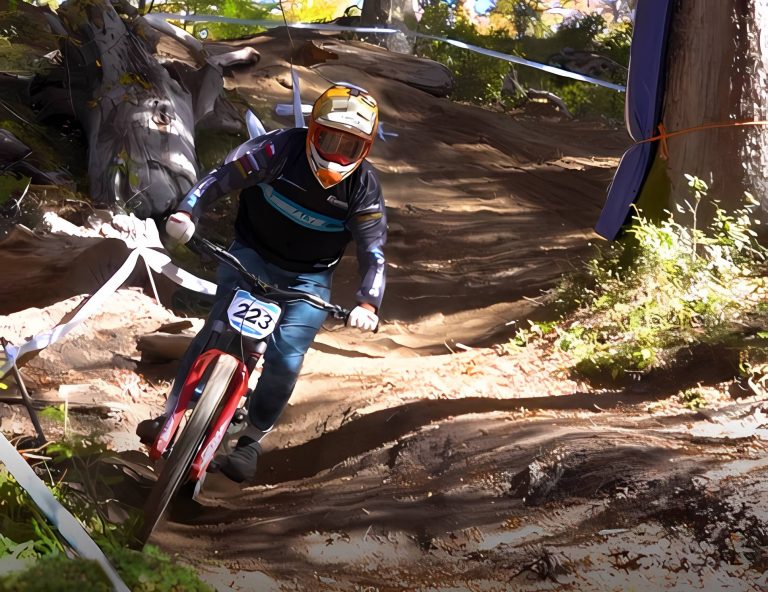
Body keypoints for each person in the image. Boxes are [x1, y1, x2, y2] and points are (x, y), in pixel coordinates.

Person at [136, 83, 387, 482]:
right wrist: (187, 212)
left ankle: (250, 440)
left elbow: (374, 251)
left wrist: (368, 303)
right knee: (216, 326)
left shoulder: (363, 189)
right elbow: (219, 179)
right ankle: (172, 414)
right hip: (250, 255)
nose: (337, 154)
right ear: (312, 132)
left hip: (309, 278)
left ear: (366, 149)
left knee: (286, 359)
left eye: (350, 146)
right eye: (329, 139)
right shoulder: (278, 151)